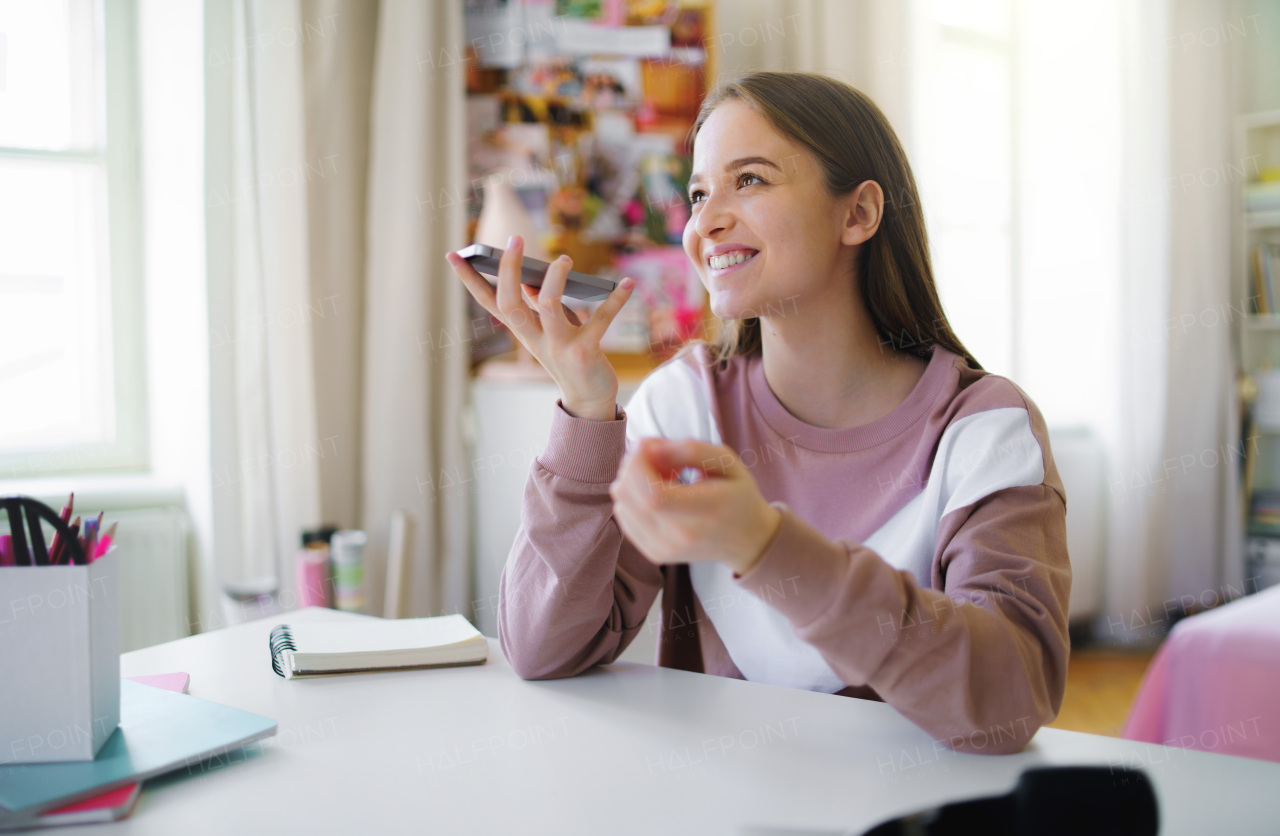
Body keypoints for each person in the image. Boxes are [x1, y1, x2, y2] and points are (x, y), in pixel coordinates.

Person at [446, 71, 1070, 755]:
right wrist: (586, 414)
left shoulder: (983, 430)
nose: (706, 221)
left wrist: (766, 545)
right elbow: (542, 648)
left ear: (857, 214)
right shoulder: (684, 404)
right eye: (698, 192)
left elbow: (1012, 699)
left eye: (750, 180)